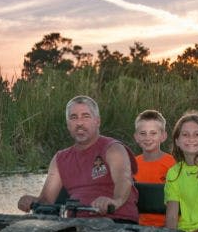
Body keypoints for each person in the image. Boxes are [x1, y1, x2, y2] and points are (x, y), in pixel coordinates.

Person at [17, 95, 139, 223]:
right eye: (73, 117)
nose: (79, 123)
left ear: (97, 121)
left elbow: (123, 180)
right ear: (68, 124)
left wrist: (115, 201)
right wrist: (31, 201)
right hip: (76, 226)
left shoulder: (114, 149)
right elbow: (46, 201)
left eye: (85, 116)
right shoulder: (60, 159)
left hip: (117, 222)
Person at [133, 109, 176, 227]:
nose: (148, 138)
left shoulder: (172, 165)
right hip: (138, 226)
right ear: (136, 137)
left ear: (163, 136)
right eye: (143, 133)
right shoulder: (132, 164)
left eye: (153, 133)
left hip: (166, 225)